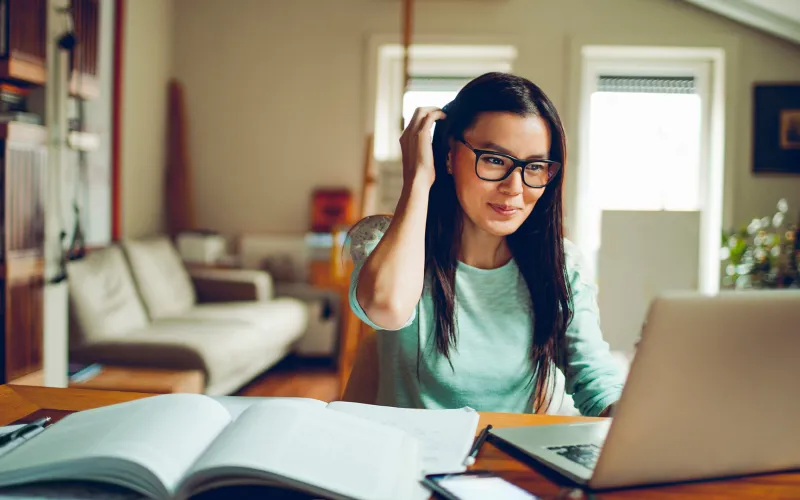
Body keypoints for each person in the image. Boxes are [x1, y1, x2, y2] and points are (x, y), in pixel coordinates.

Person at [347, 72, 624, 416]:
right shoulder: (386, 241)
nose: (514, 187)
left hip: (507, 464)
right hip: (407, 460)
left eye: (535, 166)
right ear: (448, 156)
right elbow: (385, 308)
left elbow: (595, 377)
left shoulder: (561, 264)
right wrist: (418, 180)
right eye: (494, 160)